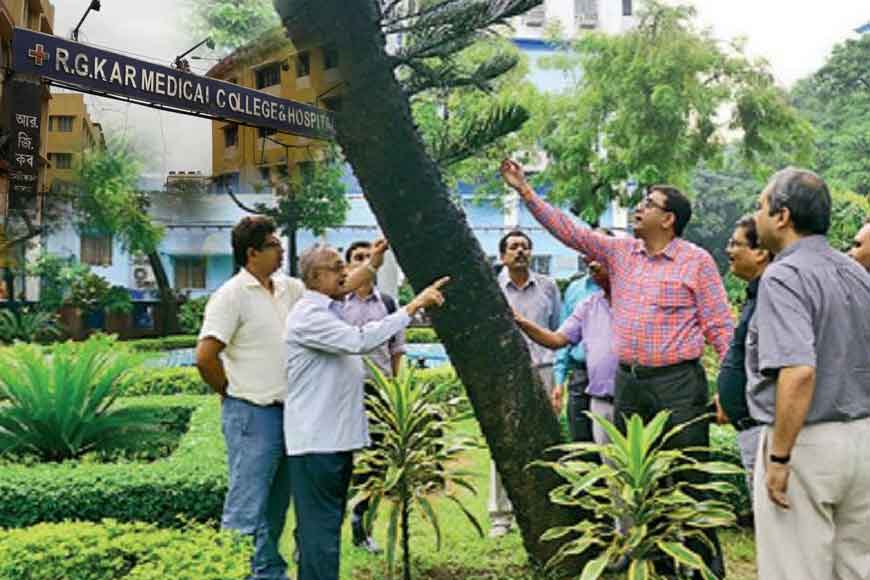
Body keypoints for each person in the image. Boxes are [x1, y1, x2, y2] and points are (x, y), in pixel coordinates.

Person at [500, 159, 732, 577]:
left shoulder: (696, 262)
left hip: (679, 384)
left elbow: (720, 327)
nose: (638, 209)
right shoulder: (620, 252)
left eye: (648, 203)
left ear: (669, 218)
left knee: (686, 476)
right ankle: (653, 557)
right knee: (632, 474)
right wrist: (526, 193)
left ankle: (703, 567)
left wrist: (730, 389)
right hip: (631, 385)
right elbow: (569, 231)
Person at [195, 216, 386, 580]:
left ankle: (268, 572)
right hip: (253, 412)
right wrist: (231, 392)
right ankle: (234, 571)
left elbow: (338, 285)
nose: (282, 251)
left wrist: (372, 263)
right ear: (252, 253)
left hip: (290, 415)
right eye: (274, 245)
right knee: (247, 504)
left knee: (277, 504)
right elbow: (205, 356)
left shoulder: (288, 288)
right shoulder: (231, 295)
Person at [284, 243, 448, 580]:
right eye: (336, 266)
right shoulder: (309, 315)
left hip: (332, 441)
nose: (345, 271)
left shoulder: (329, 307)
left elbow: (353, 283)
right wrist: (414, 306)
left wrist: (374, 263)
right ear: (316, 276)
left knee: (327, 527)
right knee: (320, 533)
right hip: (317, 444)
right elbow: (359, 340)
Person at [747, 168, 870, 580]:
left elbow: (798, 371)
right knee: (856, 567)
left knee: (794, 569)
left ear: (782, 216)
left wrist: (779, 456)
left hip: (806, 441)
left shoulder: (784, 275)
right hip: (862, 439)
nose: (756, 215)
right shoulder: (856, 272)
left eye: (761, 206)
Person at [489, 229, 561, 538]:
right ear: (503, 255)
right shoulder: (492, 288)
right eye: (513, 247)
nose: (519, 251)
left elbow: (559, 332)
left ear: (531, 253)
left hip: (543, 369)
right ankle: (500, 516)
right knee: (503, 440)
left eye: (524, 247)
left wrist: (559, 382)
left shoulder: (548, 287)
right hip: (504, 371)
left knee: (544, 438)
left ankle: (541, 507)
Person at [342, 240, 406, 553]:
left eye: (369, 256)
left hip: (378, 393)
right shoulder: (337, 304)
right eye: (358, 257)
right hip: (342, 394)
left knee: (376, 463)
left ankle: (361, 524)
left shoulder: (389, 303)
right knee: (338, 459)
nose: (367, 261)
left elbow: (397, 350)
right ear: (347, 265)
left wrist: (395, 389)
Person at [514, 257, 618, 445]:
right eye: (589, 258)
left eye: (599, 257)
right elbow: (557, 339)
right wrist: (519, 320)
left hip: (636, 396)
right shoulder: (588, 305)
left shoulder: (639, 301)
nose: (592, 264)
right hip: (601, 396)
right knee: (601, 458)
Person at [714, 215, 771, 499]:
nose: (728, 250)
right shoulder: (754, 294)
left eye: (735, 244)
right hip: (750, 427)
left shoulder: (773, 296)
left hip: (763, 430)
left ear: (760, 252)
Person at [553, 229, 614, 443]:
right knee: (582, 441)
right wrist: (559, 379)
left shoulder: (627, 289)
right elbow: (563, 335)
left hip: (614, 379)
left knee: (613, 444)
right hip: (580, 374)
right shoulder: (575, 290)